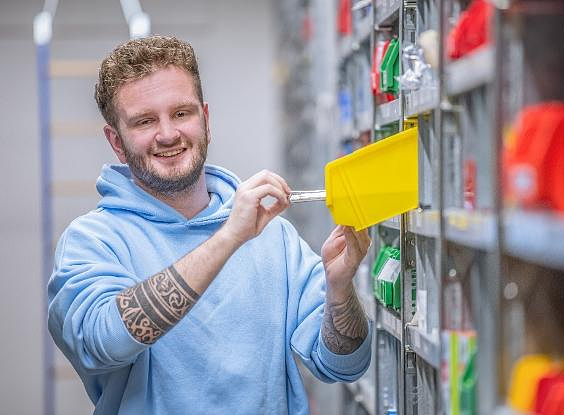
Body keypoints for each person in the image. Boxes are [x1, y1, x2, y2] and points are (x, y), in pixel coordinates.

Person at [47, 35, 372, 415]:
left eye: (181, 113)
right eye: (145, 121)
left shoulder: (273, 237)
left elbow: (343, 365)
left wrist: (339, 289)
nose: (168, 134)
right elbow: (105, 341)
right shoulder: (92, 242)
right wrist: (230, 237)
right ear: (116, 142)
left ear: (205, 119)